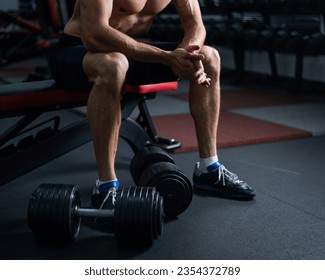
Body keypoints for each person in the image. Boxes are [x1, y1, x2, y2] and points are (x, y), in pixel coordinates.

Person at [48, 0, 255, 212]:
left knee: (210, 56)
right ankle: (106, 186)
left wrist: (188, 54)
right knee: (114, 64)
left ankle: (209, 168)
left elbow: (195, 25)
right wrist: (167, 57)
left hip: (129, 49)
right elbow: (95, 35)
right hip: (78, 49)